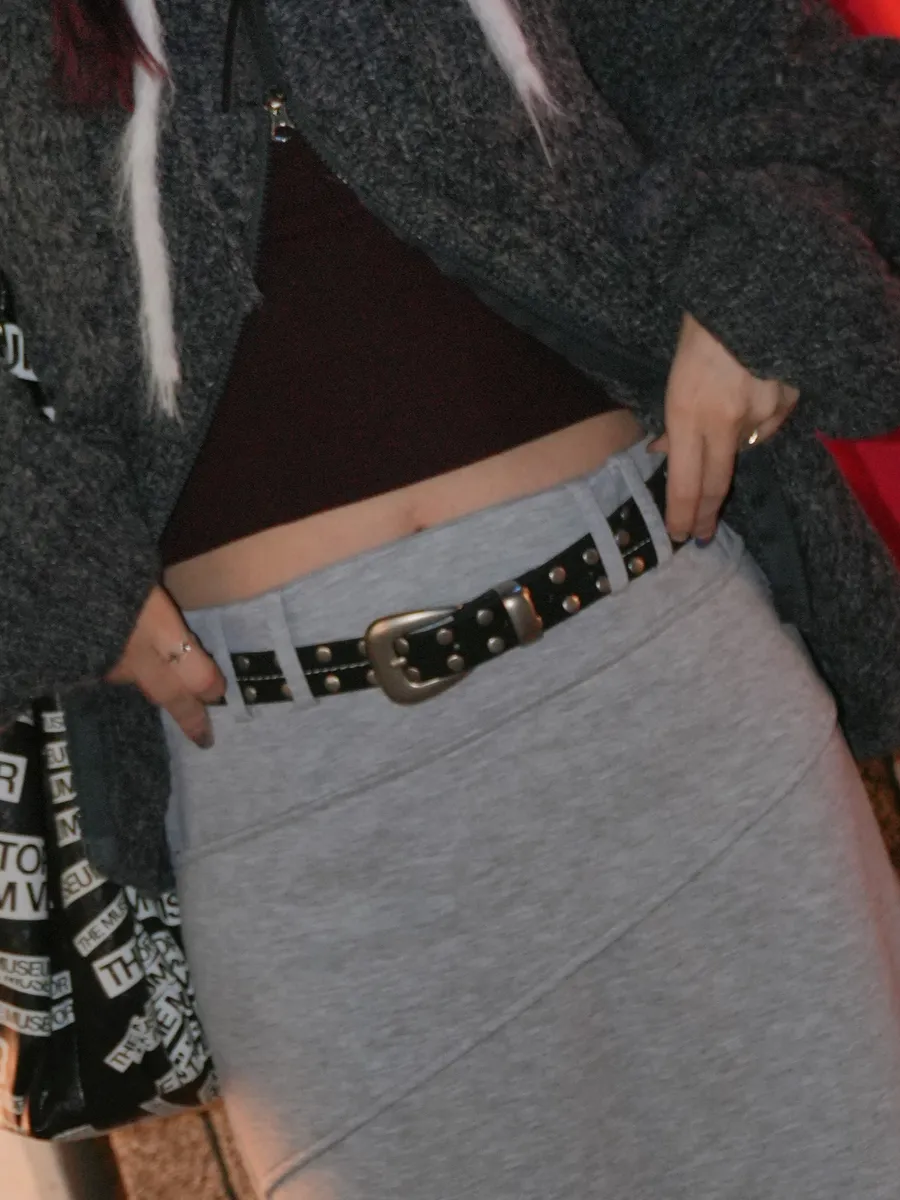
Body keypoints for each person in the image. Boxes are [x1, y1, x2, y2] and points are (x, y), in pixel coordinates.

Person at [3, 0, 900, 1194]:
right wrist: (50, 546)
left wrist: (759, 276)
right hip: (287, 793)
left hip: (665, 677)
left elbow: (761, 59)